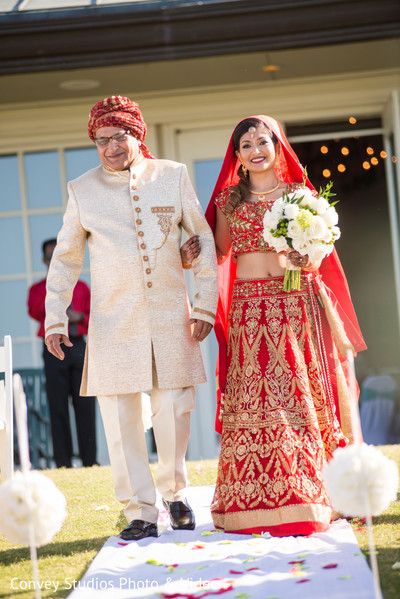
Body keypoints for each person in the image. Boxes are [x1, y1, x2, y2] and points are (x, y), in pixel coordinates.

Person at [44, 95, 217, 540]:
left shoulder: (173, 176)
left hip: (170, 316)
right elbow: (65, 260)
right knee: (120, 419)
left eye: (119, 136)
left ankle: (175, 495)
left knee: (175, 408)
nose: (110, 148)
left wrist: (204, 305)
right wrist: (55, 319)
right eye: (101, 140)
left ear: (137, 135)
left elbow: (201, 239)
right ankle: (140, 511)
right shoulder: (82, 189)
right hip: (113, 320)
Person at [205, 115, 366, 536]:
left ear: (278, 146)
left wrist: (302, 260)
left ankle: (310, 496)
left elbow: (317, 255)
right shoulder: (227, 201)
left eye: (262, 141)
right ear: (237, 156)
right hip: (248, 310)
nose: (255, 150)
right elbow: (219, 252)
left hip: (295, 306)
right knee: (255, 399)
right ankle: (249, 503)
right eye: (246, 145)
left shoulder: (300, 195)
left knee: (298, 396)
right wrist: (190, 249)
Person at [28, 238, 97, 468]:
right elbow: (35, 310)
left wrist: (78, 317)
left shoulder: (82, 287)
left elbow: (93, 316)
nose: (54, 260)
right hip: (52, 347)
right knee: (57, 407)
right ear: (45, 261)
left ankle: (90, 461)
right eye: (50, 257)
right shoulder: (38, 289)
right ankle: (63, 463)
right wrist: (57, 305)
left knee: (85, 405)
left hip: (77, 346)